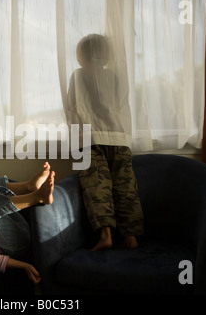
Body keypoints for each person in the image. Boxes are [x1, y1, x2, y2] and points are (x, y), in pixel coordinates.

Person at [64, 34, 144, 251]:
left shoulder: (78, 75)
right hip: (119, 137)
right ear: (107, 55)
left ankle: (105, 234)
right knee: (125, 187)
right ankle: (130, 237)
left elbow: (72, 107)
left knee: (96, 187)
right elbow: (121, 104)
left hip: (89, 139)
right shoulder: (115, 76)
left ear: (81, 56)